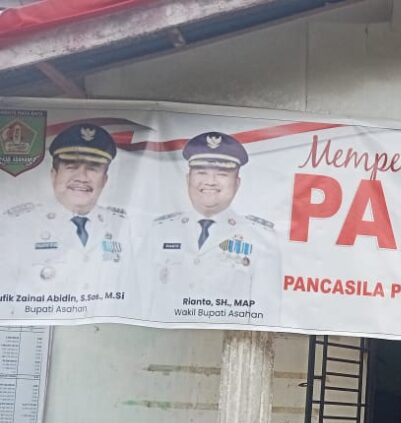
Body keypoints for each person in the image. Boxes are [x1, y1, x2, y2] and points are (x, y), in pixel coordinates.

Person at [143, 131, 281, 323]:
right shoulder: (160, 231)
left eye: (222, 174)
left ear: (237, 183)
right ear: (188, 179)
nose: (210, 181)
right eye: (201, 172)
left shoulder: (260, 238)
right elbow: (140, 302)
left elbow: (265, 317)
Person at [1, 122, 131, 298]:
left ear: (104, 180)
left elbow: (130, 297)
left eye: (93, 168)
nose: (82, 177)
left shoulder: (119, 225)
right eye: (71, 167)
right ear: (54, 175)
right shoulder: (19, 225)